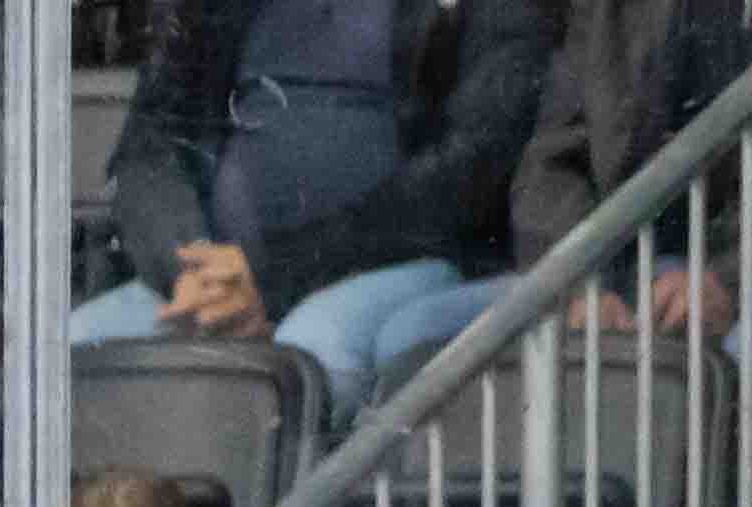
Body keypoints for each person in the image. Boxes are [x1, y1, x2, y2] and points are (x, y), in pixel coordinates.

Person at [78, 0, 551, 422]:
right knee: (74, 348)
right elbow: (147, 149)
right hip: (209, 277)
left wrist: (267, 276)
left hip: (394, 261)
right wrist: (188, 265)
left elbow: (471, 167)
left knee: (306, 363)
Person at [511, 0, 746, 352]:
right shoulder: (609, 9)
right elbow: (552, 161)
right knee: (428, 325)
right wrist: (578, 286)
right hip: (620, 274)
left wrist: (727, 279)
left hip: (727, 278)